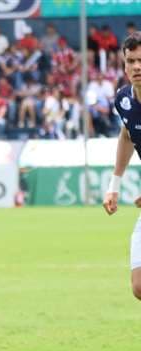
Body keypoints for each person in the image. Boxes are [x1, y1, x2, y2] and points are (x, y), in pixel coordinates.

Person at [103, 32, 141, 299]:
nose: (137, 66)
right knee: (139, 285)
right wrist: (114, 185)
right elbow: (128, 134)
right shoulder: (124, 99)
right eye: (131, 61)